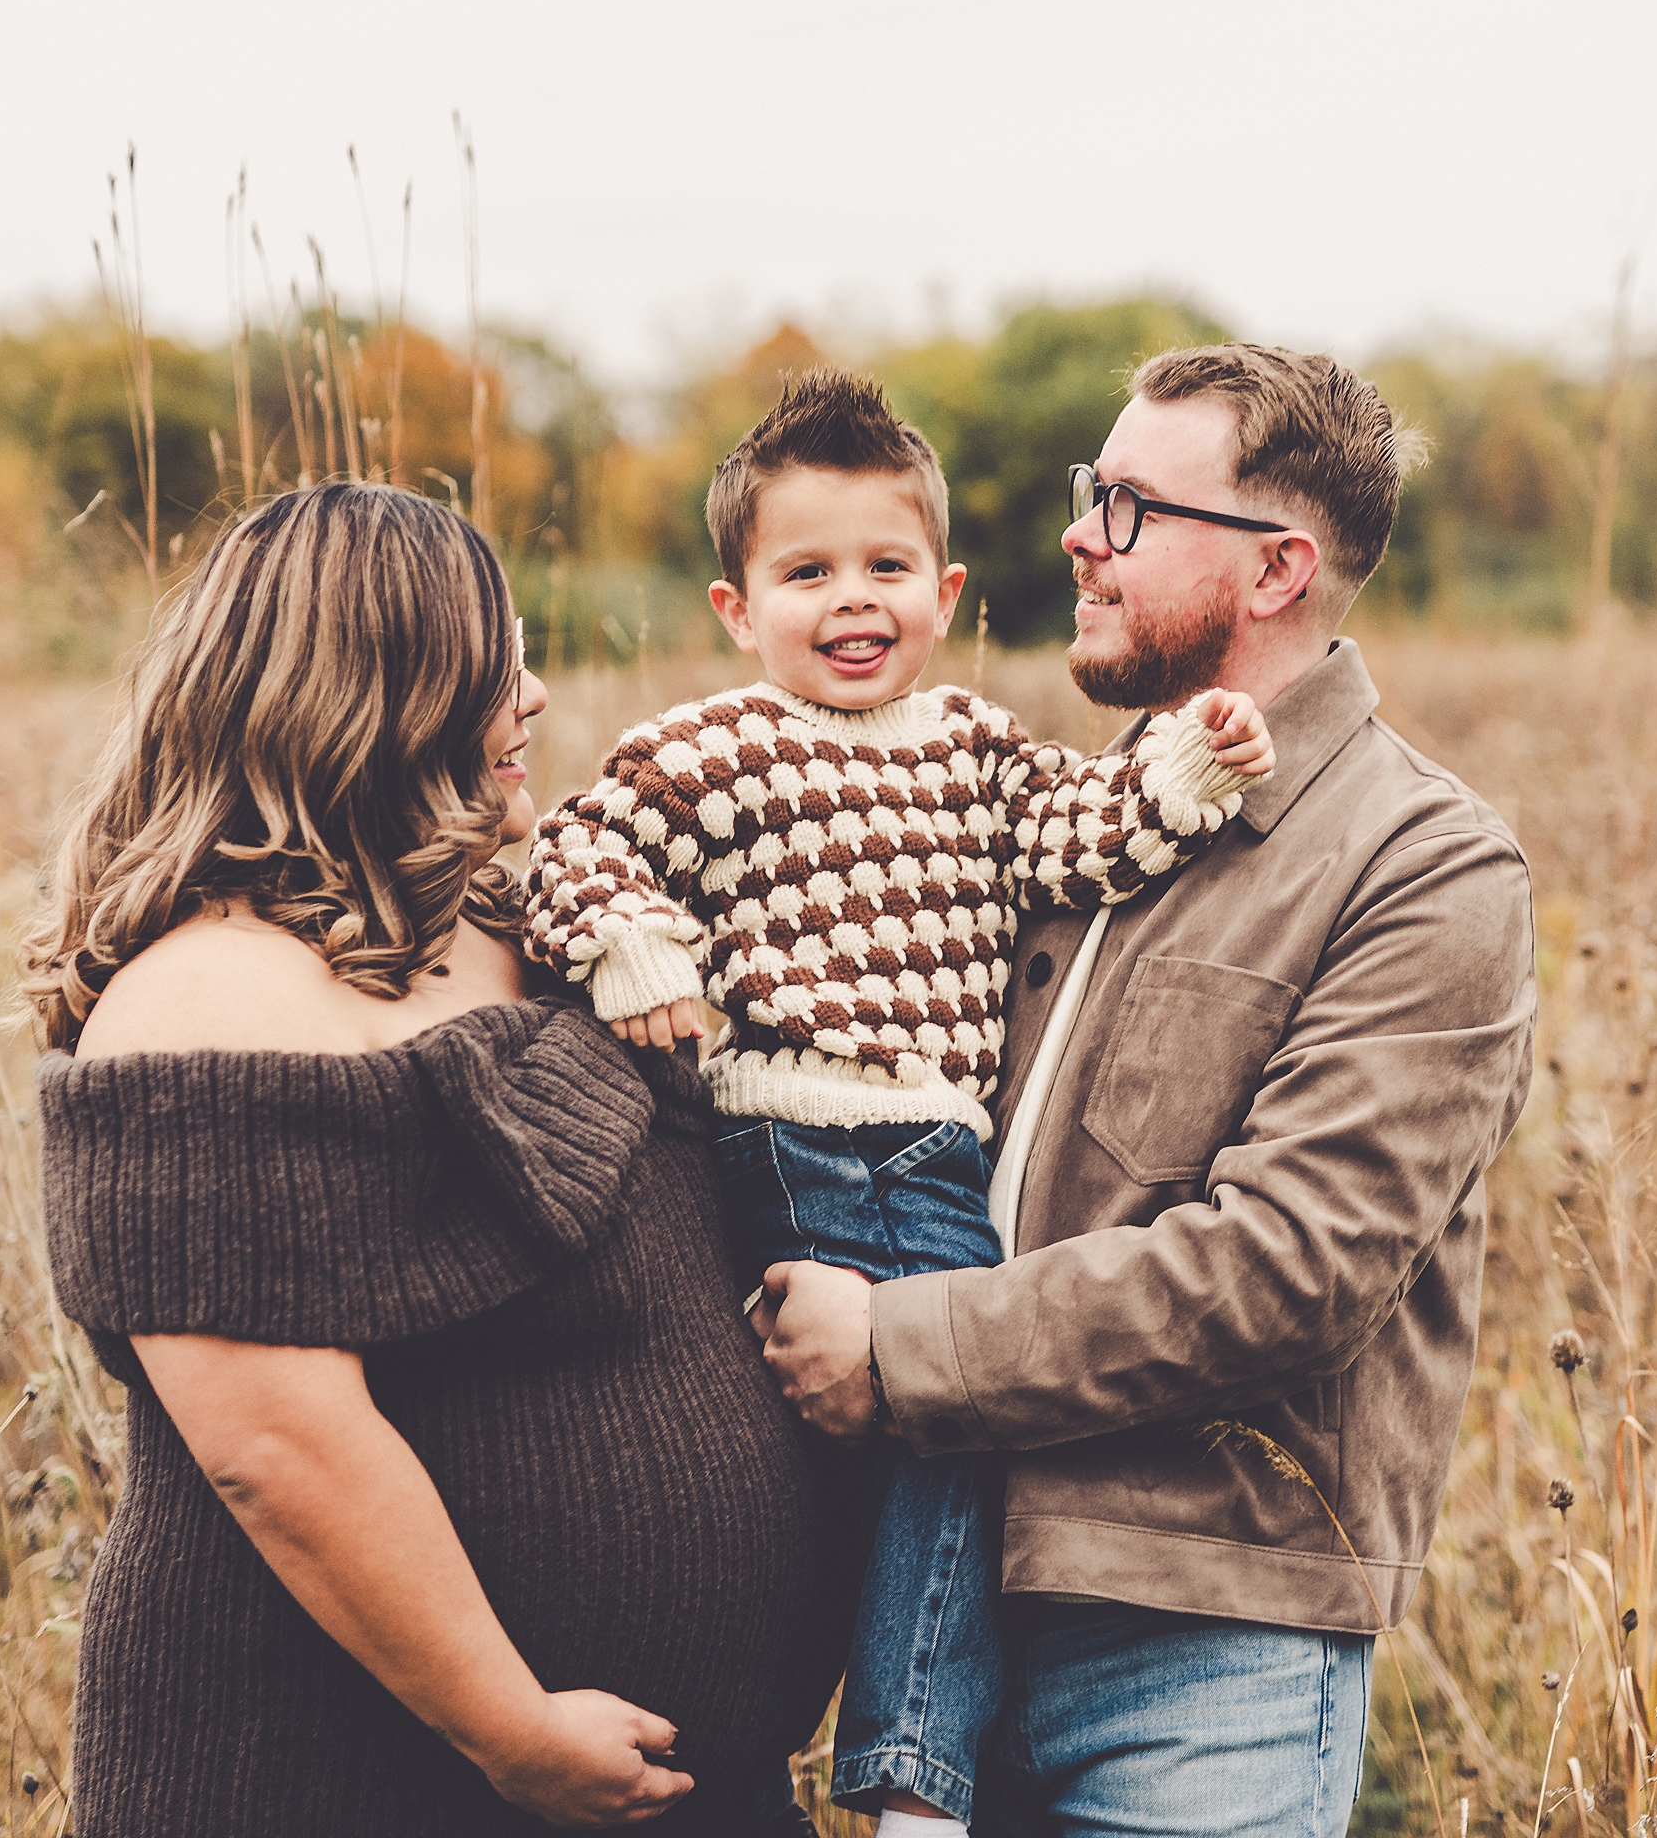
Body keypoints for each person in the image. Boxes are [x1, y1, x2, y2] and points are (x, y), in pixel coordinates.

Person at [761, 344, 1539, 1838]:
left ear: (1277, 569)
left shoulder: (1423, 865)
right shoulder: (1057, 816)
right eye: (1088, 491)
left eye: (1127, 507)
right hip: (939, 1613)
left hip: (1205, 1651)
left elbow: (1290, 1269)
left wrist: (900, 1348)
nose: (1078, 536)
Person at [22, 483, 857, 1837]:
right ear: (375, 698)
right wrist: (505, 1722)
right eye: (495, 662)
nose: (534, 695)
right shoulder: (203, 1000)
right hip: (353, 1785)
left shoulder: (531, 930)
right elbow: (279, 1445)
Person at [522, 370, 1273, 1836]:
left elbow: (1079, 837)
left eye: (884, 567)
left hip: (930, 1149)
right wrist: (637, 944)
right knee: (964, 1426)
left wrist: (1191, 759)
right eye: (806, 573)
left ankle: (822, 1740)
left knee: (877, 1452)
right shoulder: (714, 748)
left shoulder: (976, 749)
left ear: (945, 592)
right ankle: (913, 1778)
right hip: (813, 1137)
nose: (851, 601)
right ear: (737, 606)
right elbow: (574, 851)